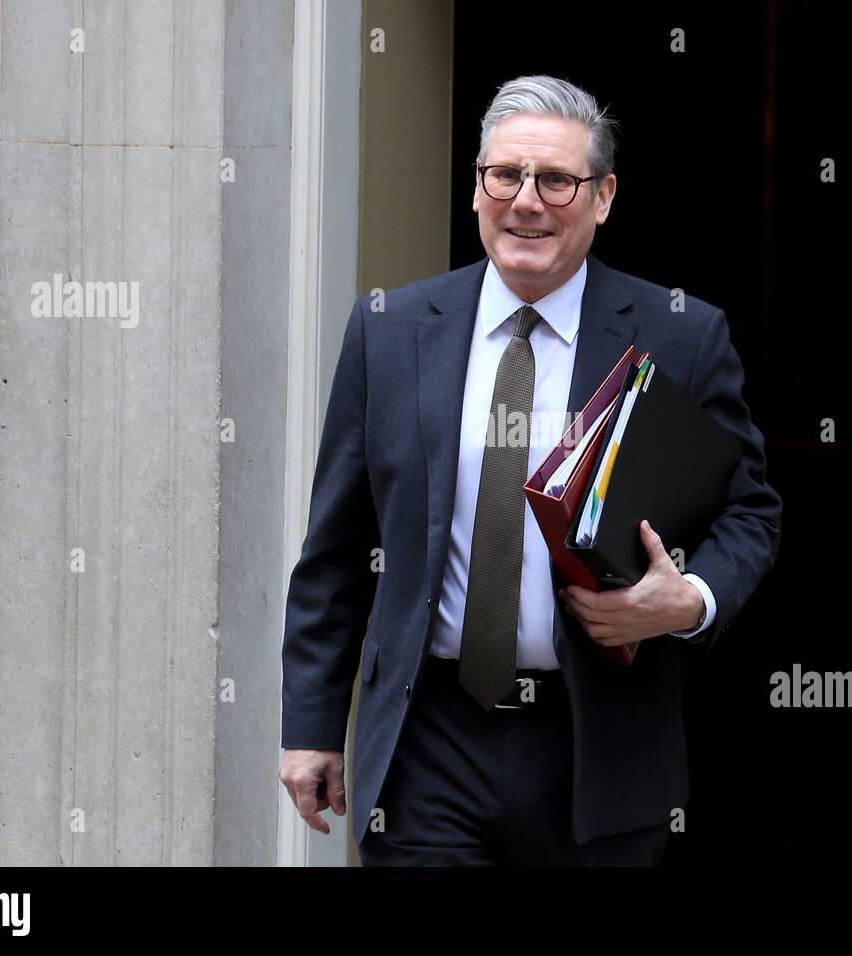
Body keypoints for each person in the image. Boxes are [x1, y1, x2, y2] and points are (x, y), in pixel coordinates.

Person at [279, 74, 782, 866]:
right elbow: (336, 549)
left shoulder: (680, 334)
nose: (526, 201)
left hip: (599, 746)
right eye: (505, 176)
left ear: (604, 196)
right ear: (478, 187)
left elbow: (750, 513)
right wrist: (311, 726)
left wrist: (688, 599)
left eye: (556, 180)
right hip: (426, 742)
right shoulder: (390, 332)